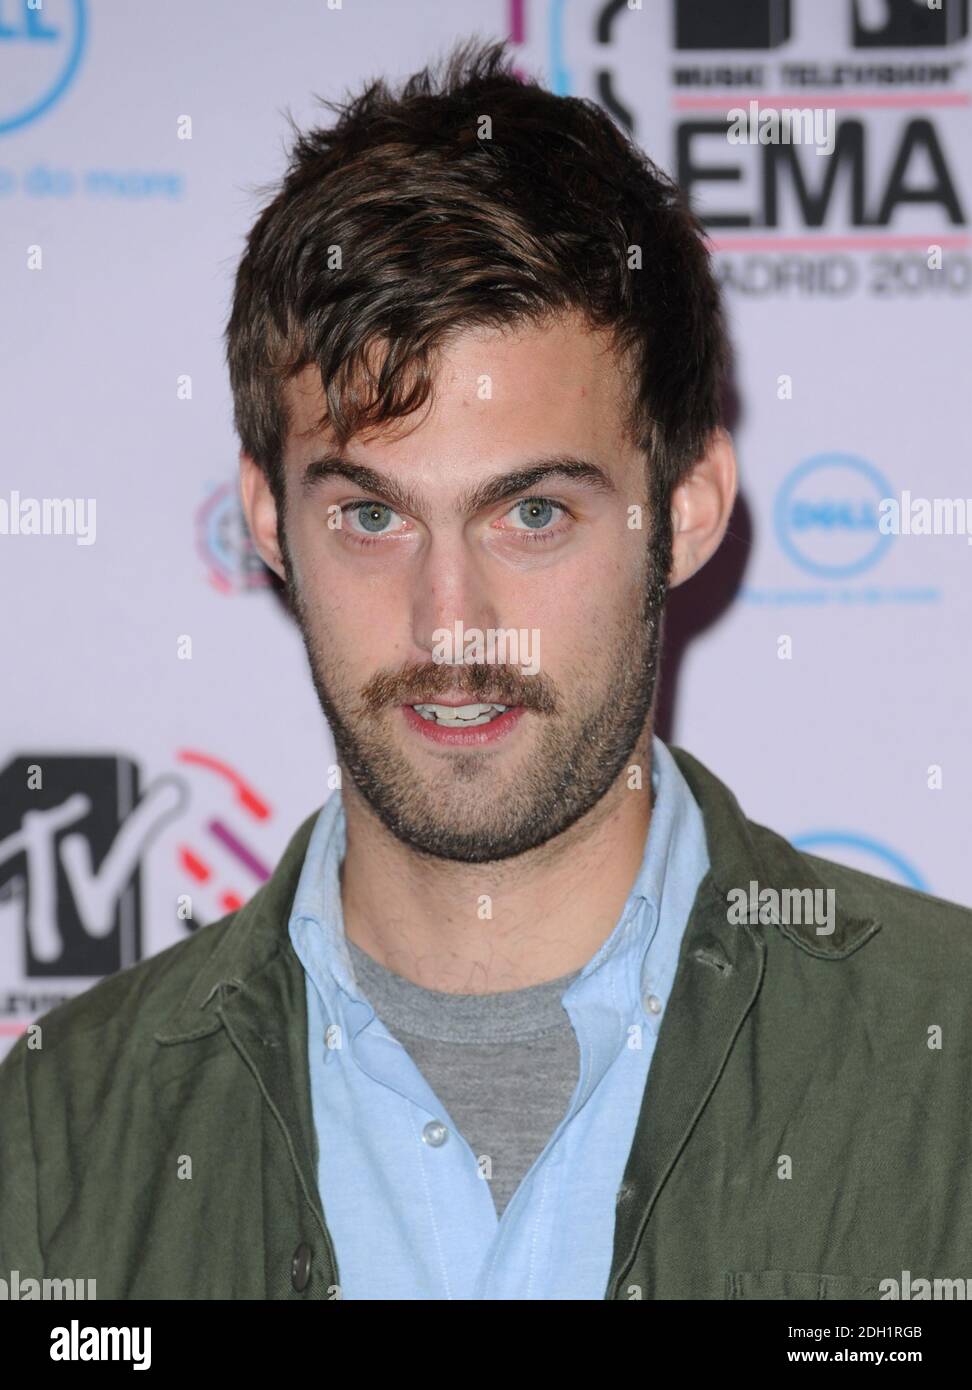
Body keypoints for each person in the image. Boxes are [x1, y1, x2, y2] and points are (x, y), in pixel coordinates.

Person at [2, 37, 971, 1303]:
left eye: (533, 515)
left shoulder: (945, 1064)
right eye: (371, 516)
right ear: (267, 520)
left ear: (686, 510)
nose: (451, 625)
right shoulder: (59, 1139)